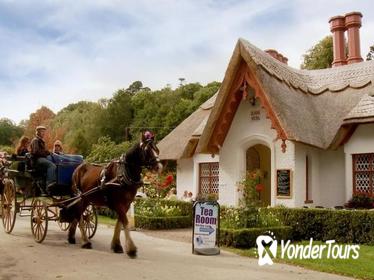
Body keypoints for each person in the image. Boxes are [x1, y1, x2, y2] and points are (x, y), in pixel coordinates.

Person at [30, 126, 56, 195]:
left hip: (41, 159)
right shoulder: (35, 140)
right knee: (52, 166)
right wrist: (46, 153)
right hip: (36, 160)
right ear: (38, 132)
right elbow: (36, 152)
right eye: (42, 131)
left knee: (56, 163)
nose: (43, 133)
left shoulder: (41, 141)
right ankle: (49, 185)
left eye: (44, 132)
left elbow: (42, 151)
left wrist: (49, 152)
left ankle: (52, 182)